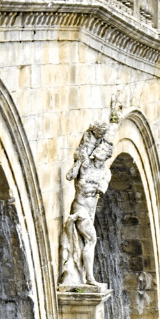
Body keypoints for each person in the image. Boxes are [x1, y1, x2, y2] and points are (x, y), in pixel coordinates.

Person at [59, 122, 114, 288]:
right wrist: (77, 163)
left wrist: (89, 184)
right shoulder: (85, 164)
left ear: (106, 156)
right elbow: (70, 177)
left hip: (91, 209)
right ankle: (89, 278)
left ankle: (82, 274)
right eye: (98, 148)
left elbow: (101, 189)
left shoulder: (105, 172)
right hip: (80, 207)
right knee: (91, 239)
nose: (99, 150)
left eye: (103, 150)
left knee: (87, 241)